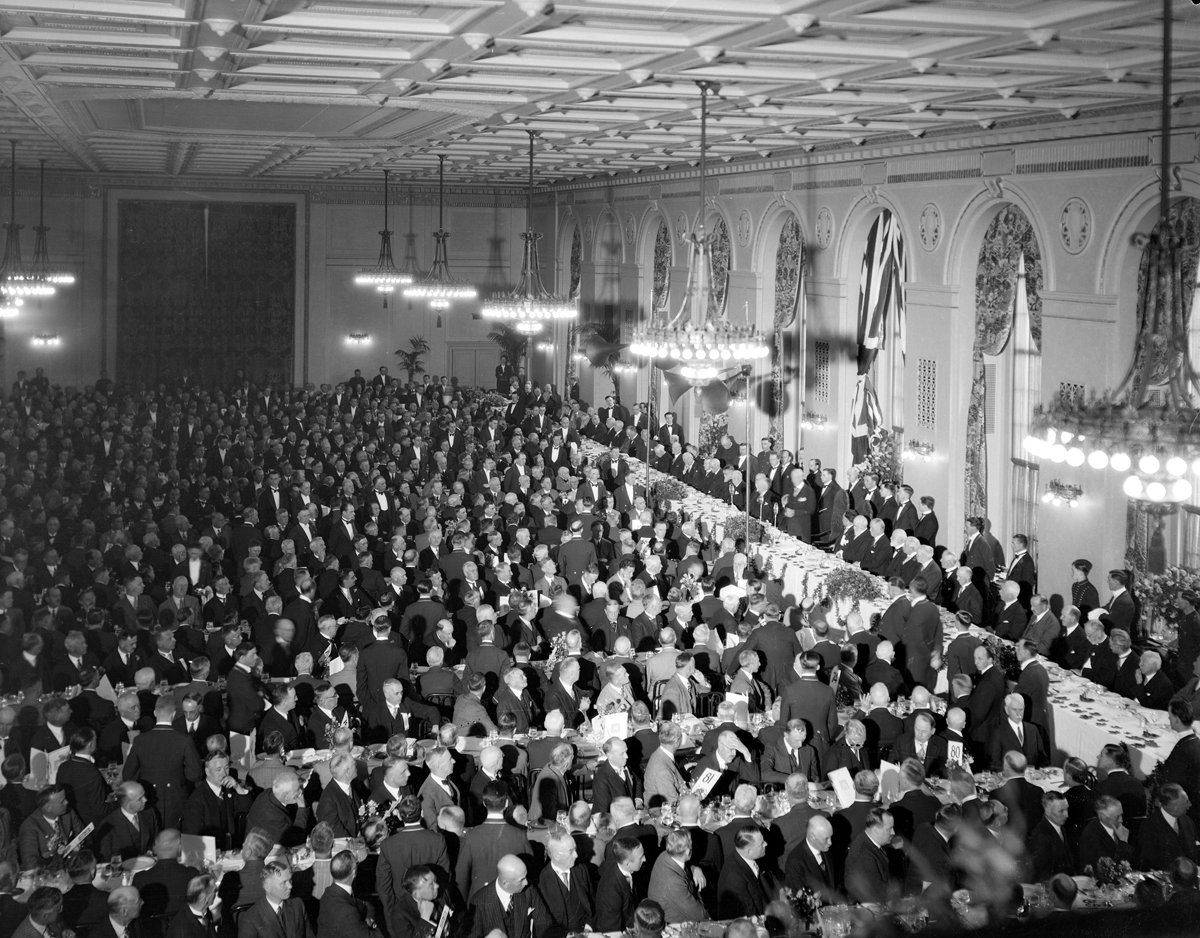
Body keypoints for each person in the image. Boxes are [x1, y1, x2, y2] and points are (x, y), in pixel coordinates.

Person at [537, 829, 595, 937]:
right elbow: (543, 924)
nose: (576, 855)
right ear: (556, 856)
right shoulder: (542, 881)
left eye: (575, 850)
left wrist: (588, 928)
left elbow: (592, 903)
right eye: (571, 851)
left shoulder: (581, 870)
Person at [236, 860, 313, 938]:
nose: (290, 886)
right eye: (283, 883)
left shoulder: (298, 904)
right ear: (267, 887)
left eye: (290, 880)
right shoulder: (250, 919)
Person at [647, 829, 708, 924]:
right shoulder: (674, 882)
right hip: (675, 926)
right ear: (688, 852)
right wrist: (698, 890)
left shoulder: (664, 855)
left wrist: (695, 869)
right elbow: (700, 915)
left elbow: (684, 865)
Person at [716, 825, 769, 919]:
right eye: (761, 844)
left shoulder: (747, 857)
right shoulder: (734, 877)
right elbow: (750, 915)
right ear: (749, 851)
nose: (766, 844)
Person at [596, 837, 646, 932]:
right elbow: (612, 930)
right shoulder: (611, 890)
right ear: (627, 864)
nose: (645, 859)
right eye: (641, 857)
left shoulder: (622, 865)